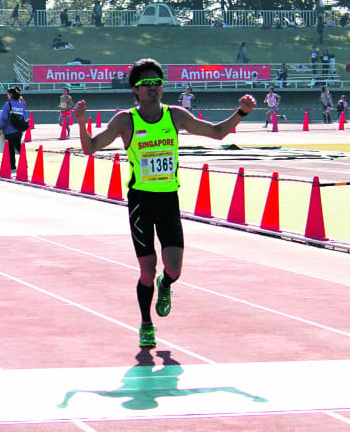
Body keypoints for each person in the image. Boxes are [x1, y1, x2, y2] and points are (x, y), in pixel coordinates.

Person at [70, 58, 256, 348]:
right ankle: (146, 323)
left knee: (174, 269)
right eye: (146, 84)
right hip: (141, 201)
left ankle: (165, 286)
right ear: (135, 89)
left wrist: (241, 112)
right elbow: (90, 148)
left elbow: (217, 132)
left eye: (157, 83)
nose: (153, 89)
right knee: (147, 268)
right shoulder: (125, 120)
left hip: (168, 198)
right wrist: (81, 123)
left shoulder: (175, 116)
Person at [0, 86, 28, 171]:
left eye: (8, 94)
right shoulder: (21, 105)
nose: (7, 95)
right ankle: (25, 163)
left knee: (11, 150)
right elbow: (25, 117)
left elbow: (4, 119)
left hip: (9, 131)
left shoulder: (7, 105)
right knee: (19, 147)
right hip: (19, 131)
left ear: (10, 95)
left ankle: (13, 166)